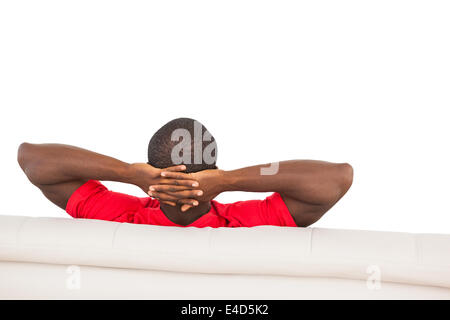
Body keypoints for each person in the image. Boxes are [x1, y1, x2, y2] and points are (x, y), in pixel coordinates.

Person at [17, 118, 353, 228]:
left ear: (153, 173)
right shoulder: (249, 221)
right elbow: (337, 178)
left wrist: (129, 173)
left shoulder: (118, 214)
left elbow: (32, 158)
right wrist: (229, 180)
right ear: (213, 171)